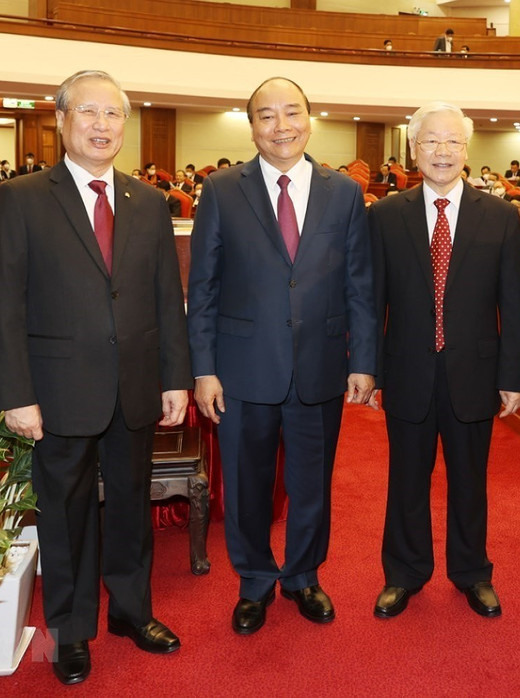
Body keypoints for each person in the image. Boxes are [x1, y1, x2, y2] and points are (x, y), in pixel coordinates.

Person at [0, 70, 192, 685]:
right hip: (56, 392)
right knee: (66, 514)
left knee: (131, 508)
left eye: (114, 115)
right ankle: (72, 630)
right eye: (89, 113)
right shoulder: (22, 198)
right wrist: (16, 394)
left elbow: (163, 297)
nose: (103, 126)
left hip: (133, 386)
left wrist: (174, 377)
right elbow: (5, 305)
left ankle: (132, 612)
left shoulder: (148, 201)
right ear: (62, 120)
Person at [187, 77, 377, 636]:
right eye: (266, 116)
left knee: (313, 482)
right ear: (252, 127)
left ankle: (302, 576)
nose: (281, 126)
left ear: (309, 119)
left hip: (320, 364)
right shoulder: (221, 189)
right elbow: (204, 288)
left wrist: (362, 360)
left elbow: (359, 284)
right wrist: (203, 368)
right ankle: (253, 581)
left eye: (291, 113)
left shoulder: (342, 192)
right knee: (245, 485)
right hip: (242, 368)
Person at [368, 101, 520, 620]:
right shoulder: (386, 215)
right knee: (406, 480)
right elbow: (372, 301)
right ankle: (404, 574)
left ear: (467, 149)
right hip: (407, 367)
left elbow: (512, 304)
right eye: (431, 142)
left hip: (475, 373)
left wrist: (512, 376)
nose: (442, 152)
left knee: (470, 480)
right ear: (413, 150)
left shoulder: (501, 216)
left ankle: (472, 572)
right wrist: (368, 368)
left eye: (452, 142)